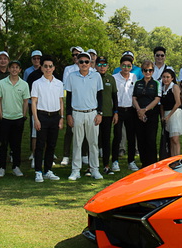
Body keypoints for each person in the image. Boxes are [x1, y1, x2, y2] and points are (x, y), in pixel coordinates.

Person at [65, 52, 104, 180]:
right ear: (77, 62)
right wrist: (69, 114)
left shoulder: (96, 76)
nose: (84, 64)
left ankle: (95, 170)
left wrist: (100, 113)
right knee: (77, 143)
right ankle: (75, 170)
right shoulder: (71, 76)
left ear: (90, 63)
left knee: (93, 143)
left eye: (86, 62)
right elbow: (69, 97)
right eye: (81, 62)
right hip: (77, 113)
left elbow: (100, 95)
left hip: (92, 113)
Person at [30, 55, 63, 182]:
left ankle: (48, 170)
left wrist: (61, 117)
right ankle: (38, 171)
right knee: (40, 144)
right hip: (42, 116)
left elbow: (61, 101)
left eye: (50, 66)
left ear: (54, 68)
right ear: (42, 68)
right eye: (45, 66)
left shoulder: (59, 83)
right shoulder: (37, 83)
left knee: (52, 145)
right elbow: (33, 102)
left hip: (55, 116)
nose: (48, 69)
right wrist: (36, 119)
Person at [0, 59, 30, 177]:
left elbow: (26, 101)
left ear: (20, 70)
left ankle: (16, 166)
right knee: (3, 144)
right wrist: (1, 114)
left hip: (18, 118)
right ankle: (1, 167)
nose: (14, 69)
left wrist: (23, 115)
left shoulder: (24, 84)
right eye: (12, 67)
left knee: (16, 144)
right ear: (9, 69)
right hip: (5, 118)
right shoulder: (2, 83)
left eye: (17, 67)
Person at [132, 59, 160, 166]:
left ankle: (152, 163)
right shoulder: (137, 83)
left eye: (150, 70)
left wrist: (145, 109)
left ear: (153, 71)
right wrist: (139, 110)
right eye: (145, 70)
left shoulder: (156, 83)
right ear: (142, 71)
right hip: (138, 114)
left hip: (151, 114)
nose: (148, 72)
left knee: (151, 139)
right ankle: (144, 163)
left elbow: (157, 99)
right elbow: (134, 98)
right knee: (141, 139)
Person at [112, 56, 137, 172]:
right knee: (117, 136)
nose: (126, 68)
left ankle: (131, 161)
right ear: (120, 66)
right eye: (124, 65)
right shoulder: (114, 78)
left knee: (131, 137)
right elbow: (113, 96)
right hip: (118, 110)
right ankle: (115, 161)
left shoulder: (134, 77)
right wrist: (115, 111)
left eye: (129, 66)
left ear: (131, 67)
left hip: (130, 110)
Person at [96, 57, 119, 174]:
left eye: (104, 65)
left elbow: (115, 97)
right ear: (95, 66)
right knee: (94, 140)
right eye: (99, 64)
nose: (102, 67)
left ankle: (106, 165)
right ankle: (92, 166)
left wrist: (116, 112)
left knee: (106, 140)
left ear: (107, 66)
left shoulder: (111, 78)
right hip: (93, 114)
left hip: (108, 114)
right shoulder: (92, 77)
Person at [160, 68, 182, 157]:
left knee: (175, 139)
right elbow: (162, 105)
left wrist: (169, 116)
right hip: (166, 114)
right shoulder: (162, 88)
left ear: (172, 78)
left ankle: (177, 159)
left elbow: (178, 102)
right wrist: (163, 116)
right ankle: (172, 158)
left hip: (175, 114)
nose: (165, 79)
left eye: (168, 77)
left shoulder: (174, 87)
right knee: (170, 139)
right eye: (164, 77)